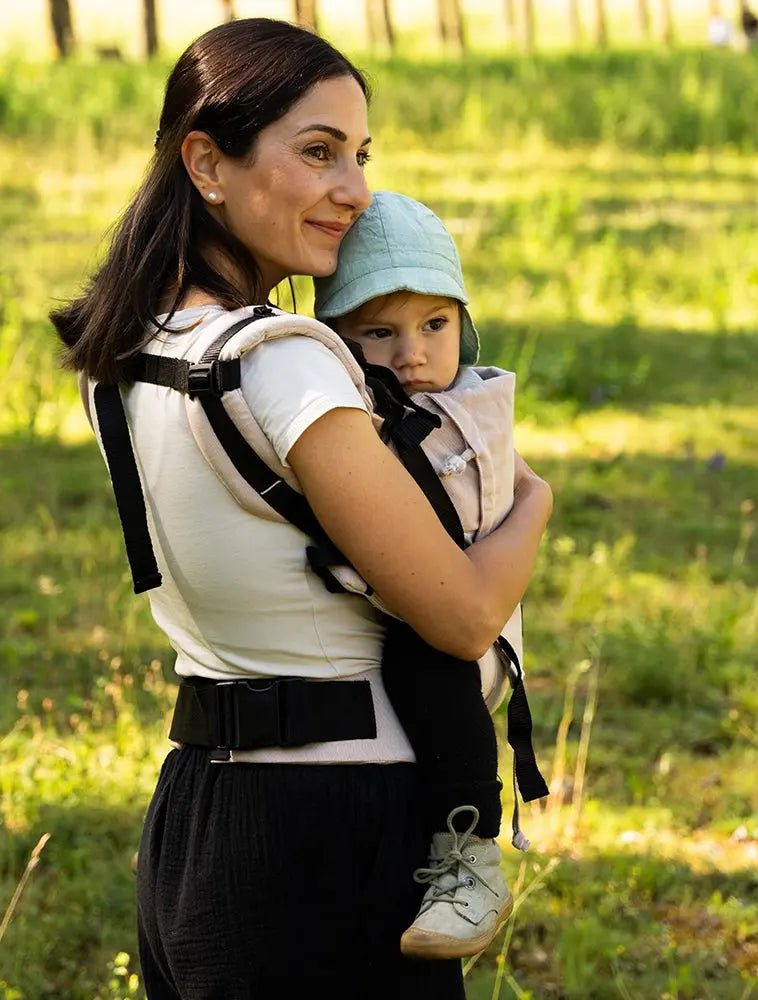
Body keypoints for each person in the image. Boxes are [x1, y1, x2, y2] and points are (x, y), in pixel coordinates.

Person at [50, 17, 552, 999]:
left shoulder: (133, 346)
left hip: (198, 811)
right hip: (330, 834)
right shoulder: (281, 361)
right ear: (207, 163)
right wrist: (534, 501)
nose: (354, 190)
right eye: (318, 152)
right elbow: (460, 615)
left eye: (361, 155)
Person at [314, 191, 544, 960]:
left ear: (463, 326)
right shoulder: (357, 408)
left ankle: (472, 856)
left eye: (434, 325)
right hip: (429, 598)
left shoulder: (462, 408)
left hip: (456, 617)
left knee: (423, 665)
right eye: (380, 332)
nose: (412, 353)